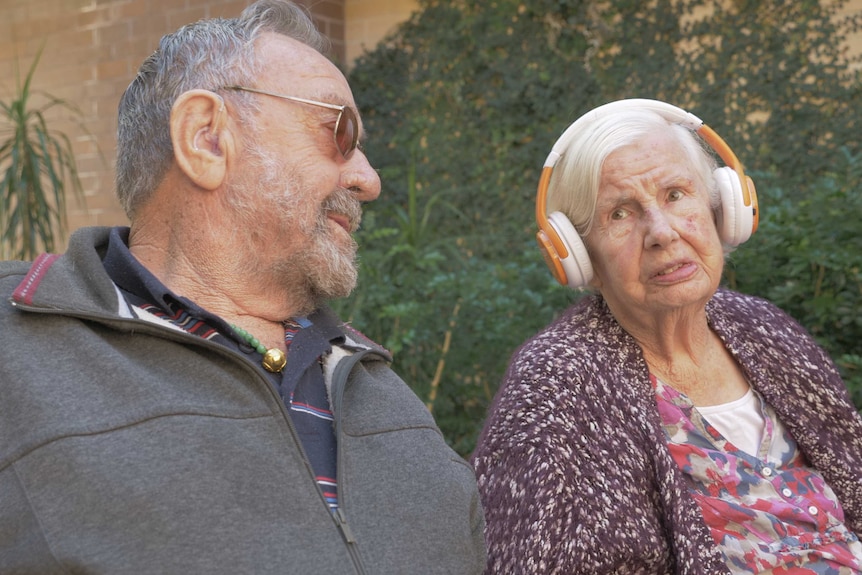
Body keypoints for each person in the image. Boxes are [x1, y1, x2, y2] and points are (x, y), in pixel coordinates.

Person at [0, 2, 486, 572]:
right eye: (340, 131)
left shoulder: (375, 384)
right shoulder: (16, 350)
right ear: (206, 138)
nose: (369, 180)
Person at [471, 99, 862, 574]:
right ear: (578, 256)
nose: (661, 231)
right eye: (620, 214)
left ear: (722, 208)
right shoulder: (557, 383)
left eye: (676, 194)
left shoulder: (765, 329)